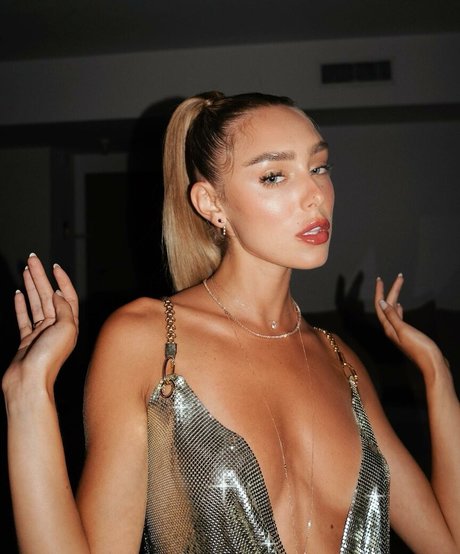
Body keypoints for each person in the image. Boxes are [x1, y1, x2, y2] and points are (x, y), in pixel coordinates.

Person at [2, 91, 459, 554]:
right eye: (274, 175)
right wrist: (28, 393)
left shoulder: (342, 362)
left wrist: (437, 373)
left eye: (319, 167)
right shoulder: (148, 339)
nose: (315, 196)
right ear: (211, 203)